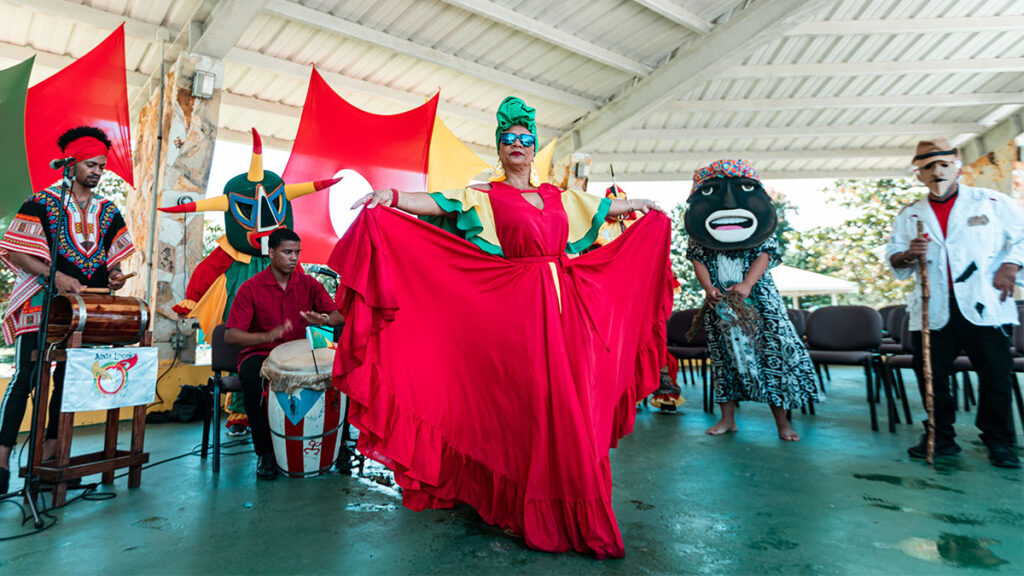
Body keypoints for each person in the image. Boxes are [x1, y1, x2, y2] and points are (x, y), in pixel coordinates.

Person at [331, 96, 675, 559]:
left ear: (533, 149)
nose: (517, 144)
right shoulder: (485, 196)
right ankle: (524, 506)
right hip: (515, 311)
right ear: (499, 149)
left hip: (565, 310)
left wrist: (643, 205)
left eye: (525, 139)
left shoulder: (559, 196)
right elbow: (438, 204)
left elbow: (601, 210)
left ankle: (571, 502)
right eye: (508, 139)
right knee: (528, 406)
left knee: (568, 405)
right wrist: (389, 197)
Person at [0, 126, 134, 495]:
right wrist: (54, 275)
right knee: (27, 377)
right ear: (71, 164)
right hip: (40, 303)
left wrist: (116, 276)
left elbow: (112, 262)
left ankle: (49, 461)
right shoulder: (43, 202)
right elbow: (13, 251)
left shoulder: (109, 211)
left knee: (69, 381)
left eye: (102, 166)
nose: (97, 171)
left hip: (82, 310)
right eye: (91, 164)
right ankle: (0, 462)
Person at [886, 138, 1023, 468]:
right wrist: (909, 254)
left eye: (944, 164)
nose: (937, 172)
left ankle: (998, 441)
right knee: (931, 375)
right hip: (932, 309)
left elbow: (1021, 236)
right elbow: (894, 257)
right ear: (918, 175)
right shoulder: (910, 214)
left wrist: (1011, 265)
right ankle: (940, 436)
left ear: (958, 168)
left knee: (995, 375)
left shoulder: (990, 201)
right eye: (928, 167)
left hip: (984, 304)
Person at [685, 159, 821, 441]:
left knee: (771, 358)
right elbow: (698, 258)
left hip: (760, 302)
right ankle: (728, 420)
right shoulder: (700, 231)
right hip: (719, 304)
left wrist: (747, 284)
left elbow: (765, 254)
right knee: (723, 360)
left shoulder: (759, 225)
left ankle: (782, 423)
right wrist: (708, 287)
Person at [224, 228, 343, 480]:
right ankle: (265, 453)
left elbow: (338, 317)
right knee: (251, 378)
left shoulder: (309, 284)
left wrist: (321, 318)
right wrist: (264, 337)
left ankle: (339, 446)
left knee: (341, 372)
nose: (294, 258)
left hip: (299, 354)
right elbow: (231, 335)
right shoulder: (250, 288)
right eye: (287, 252)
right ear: (271, 253)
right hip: (261, 354)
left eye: (297, 253)